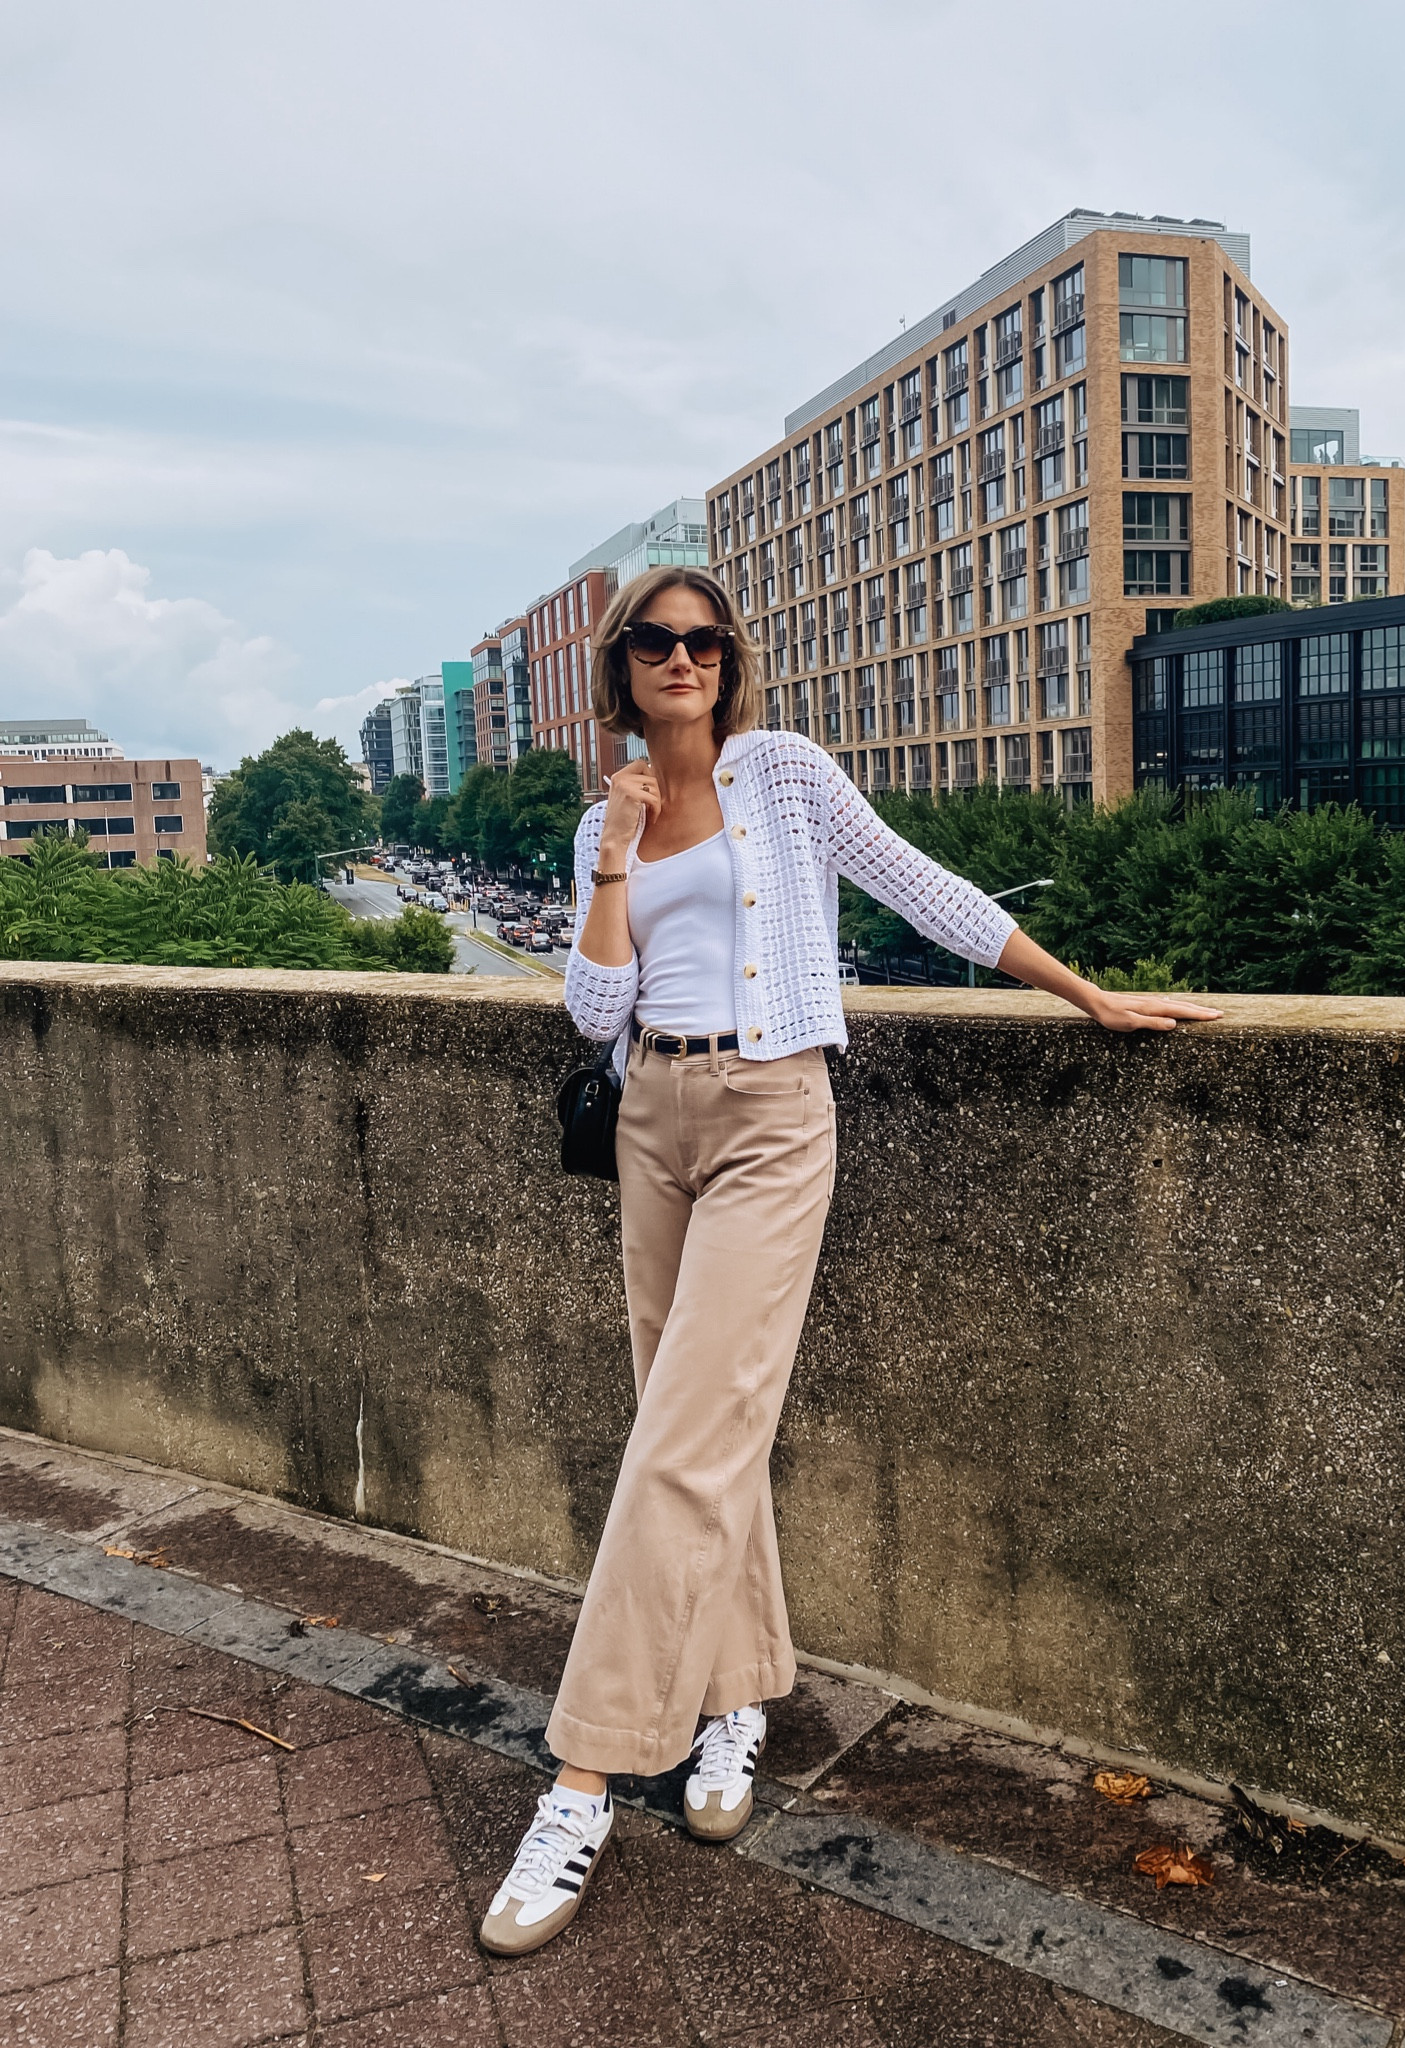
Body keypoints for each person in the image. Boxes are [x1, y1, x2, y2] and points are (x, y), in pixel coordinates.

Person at [478, 567, 1219, 1955]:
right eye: (660, 641)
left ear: (728, 659)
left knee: (682, 1444)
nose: (686, 658)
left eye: (707, 640)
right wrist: (615, 854)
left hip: (773, 1115)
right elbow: (590, 1007)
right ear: (622, 667)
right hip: (650, 1118)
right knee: (696, 1431)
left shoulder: (787, 775)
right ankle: (737, 1696)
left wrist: (1086, 994)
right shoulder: (603, 818)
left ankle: (580, 1780)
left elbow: (923, 889)